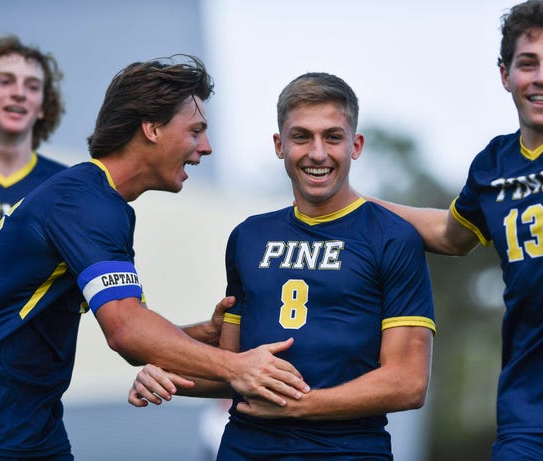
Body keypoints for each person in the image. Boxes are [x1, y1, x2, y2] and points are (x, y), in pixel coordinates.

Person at [0, 54, 310, 460]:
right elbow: (126, 332)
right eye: (195, 131)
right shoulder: (84, 203)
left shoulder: (96, 200)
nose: (206, 148)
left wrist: (197, 335)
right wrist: (238, 368)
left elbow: (133, 327)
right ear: (153, 128)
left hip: (30, 431)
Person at [370, 0, 543, 459]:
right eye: (528, 63)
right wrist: (356, 205)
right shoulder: (492, 165)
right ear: (505, 75)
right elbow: (448, 235)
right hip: (533, 417)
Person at [129, 72, 436, 460]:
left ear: (355, 145)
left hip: (347, 451)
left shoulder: (393, 238)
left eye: (333, 137)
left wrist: (298, 405)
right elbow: (233, 369)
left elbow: (408, 383)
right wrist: (168, 376)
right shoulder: (248, 237)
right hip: (245, 447)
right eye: (302, 136)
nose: (318, 153)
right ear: (279, 145)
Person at [0, 34, 67, 232]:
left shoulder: (66, 186)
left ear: (43, 105)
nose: (19, 93)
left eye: (32, 86)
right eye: (5, 81)